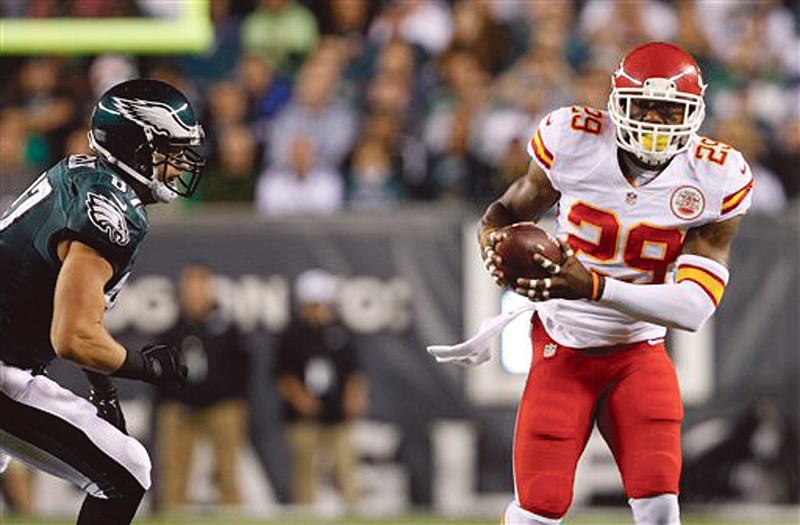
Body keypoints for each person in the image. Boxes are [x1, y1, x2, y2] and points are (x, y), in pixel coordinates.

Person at [429, 43, 753, 524]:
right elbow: (504, 213)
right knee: (537, 511)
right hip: (564, 344)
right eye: (641, 105)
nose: (653, 121)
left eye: (668, 109)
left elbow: (694, 308)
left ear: (694, 113)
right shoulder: (574, 139)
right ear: (616, 102)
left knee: (661, 509)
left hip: (638, 351)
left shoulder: (715, 177)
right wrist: (495, 246)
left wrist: (595, 286)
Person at [0, 78, 205, 525]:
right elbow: (73, 335)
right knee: (128, 472)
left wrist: (104, 393)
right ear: (136, 147)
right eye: (170, 150)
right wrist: (146, 368)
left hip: (10, 362)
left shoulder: (83, 174)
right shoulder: (110, 211)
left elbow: (73, 306)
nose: (179, 165)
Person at [154, 264, 250, 511]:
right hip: (181, 406)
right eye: (190, 288)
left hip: (221, 404)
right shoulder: (173, 330)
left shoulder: (227, 327)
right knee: (174, 471)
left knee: (227, 469)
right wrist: (170, 398)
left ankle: (233, 514)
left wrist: (238, 398)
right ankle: (173, 514)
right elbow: (158, 368)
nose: (194, 294)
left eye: (199, 288)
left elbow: (243, 365)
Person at [274, 269, 367, 508]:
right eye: (313, 304)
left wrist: (353, 397)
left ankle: (353, 514)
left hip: (338, 415)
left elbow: (355, 369)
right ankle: (306, 515)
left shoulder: (341, 332)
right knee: (305, 475)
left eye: (321, 304)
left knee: (347, 471)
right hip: (304, 417)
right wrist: (300, 398)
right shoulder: (292, 335)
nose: (317, 310)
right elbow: (282, 374)